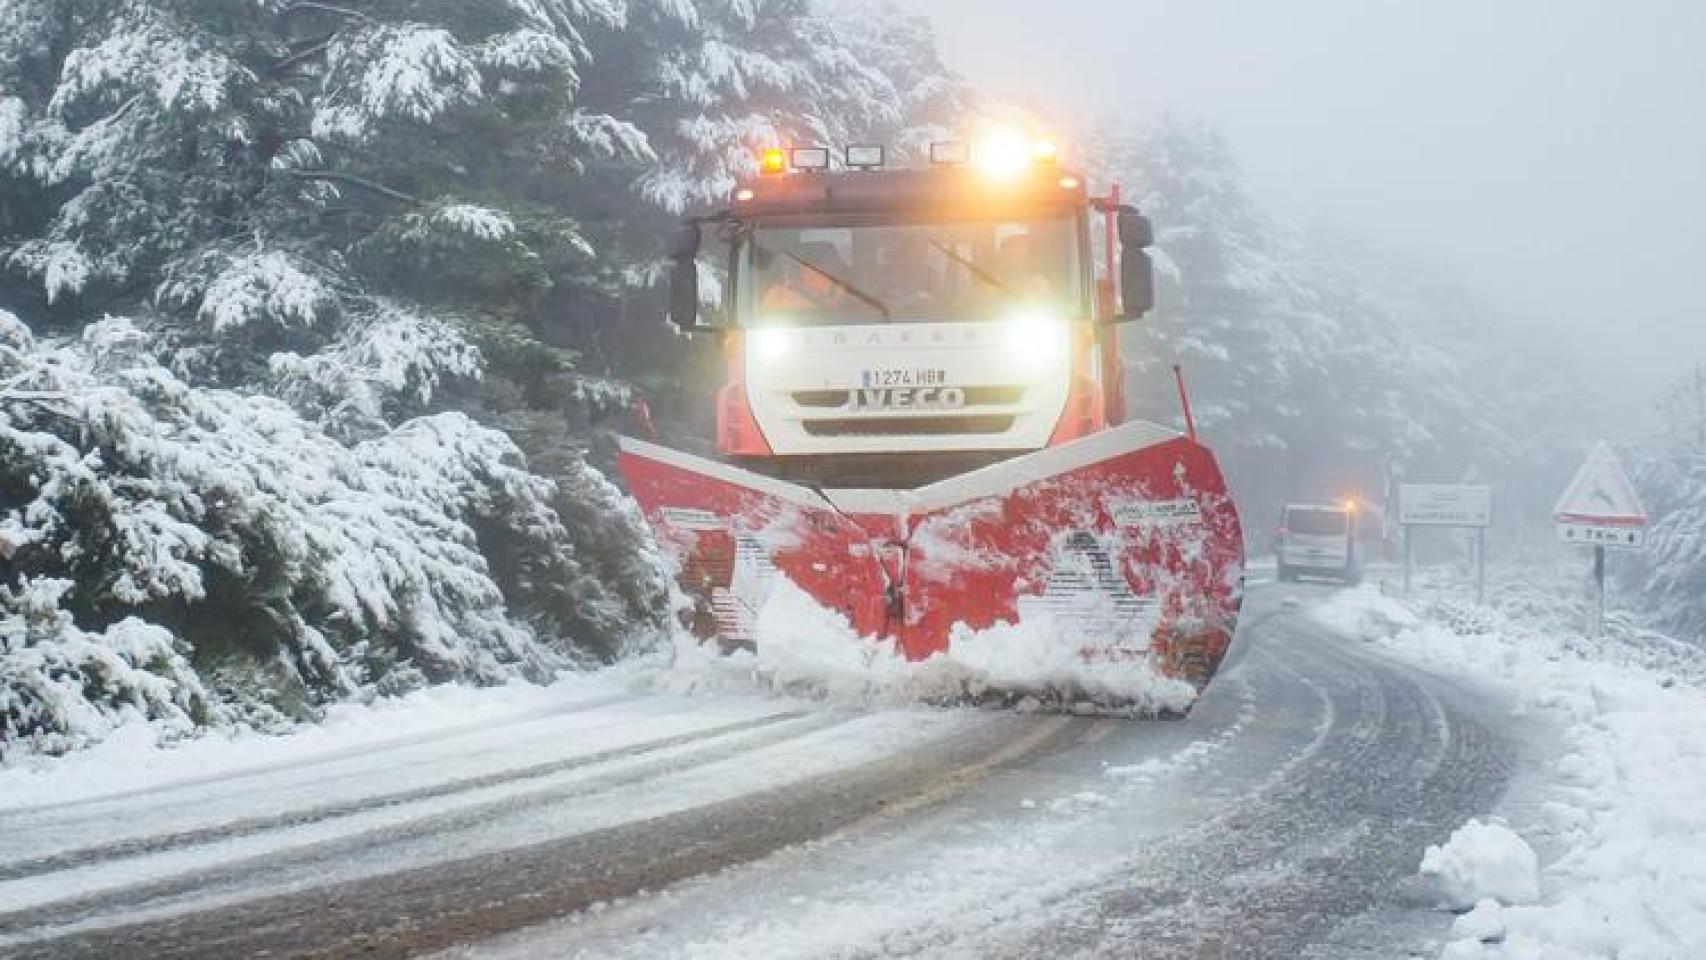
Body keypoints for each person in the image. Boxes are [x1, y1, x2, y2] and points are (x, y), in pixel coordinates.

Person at [761, 241, 853, 313]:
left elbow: (847, 312)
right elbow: (763, 325)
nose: (788, 267)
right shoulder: (777, 294)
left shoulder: (838, 287)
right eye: (786, 262)